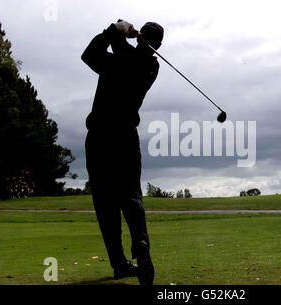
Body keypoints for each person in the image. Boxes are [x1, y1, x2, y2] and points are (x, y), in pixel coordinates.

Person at [81, 19, 164, 285]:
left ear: (139, 38)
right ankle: (140, 244)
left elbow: (89, 54)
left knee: (105, 203)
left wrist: (115, 30)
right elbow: (128, 52)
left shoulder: (116, 60)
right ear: (158, 45)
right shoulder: (152, 66)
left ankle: (119, 263)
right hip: (126, 138)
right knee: (130, 195)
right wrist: (125, 37)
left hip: (99, 138)